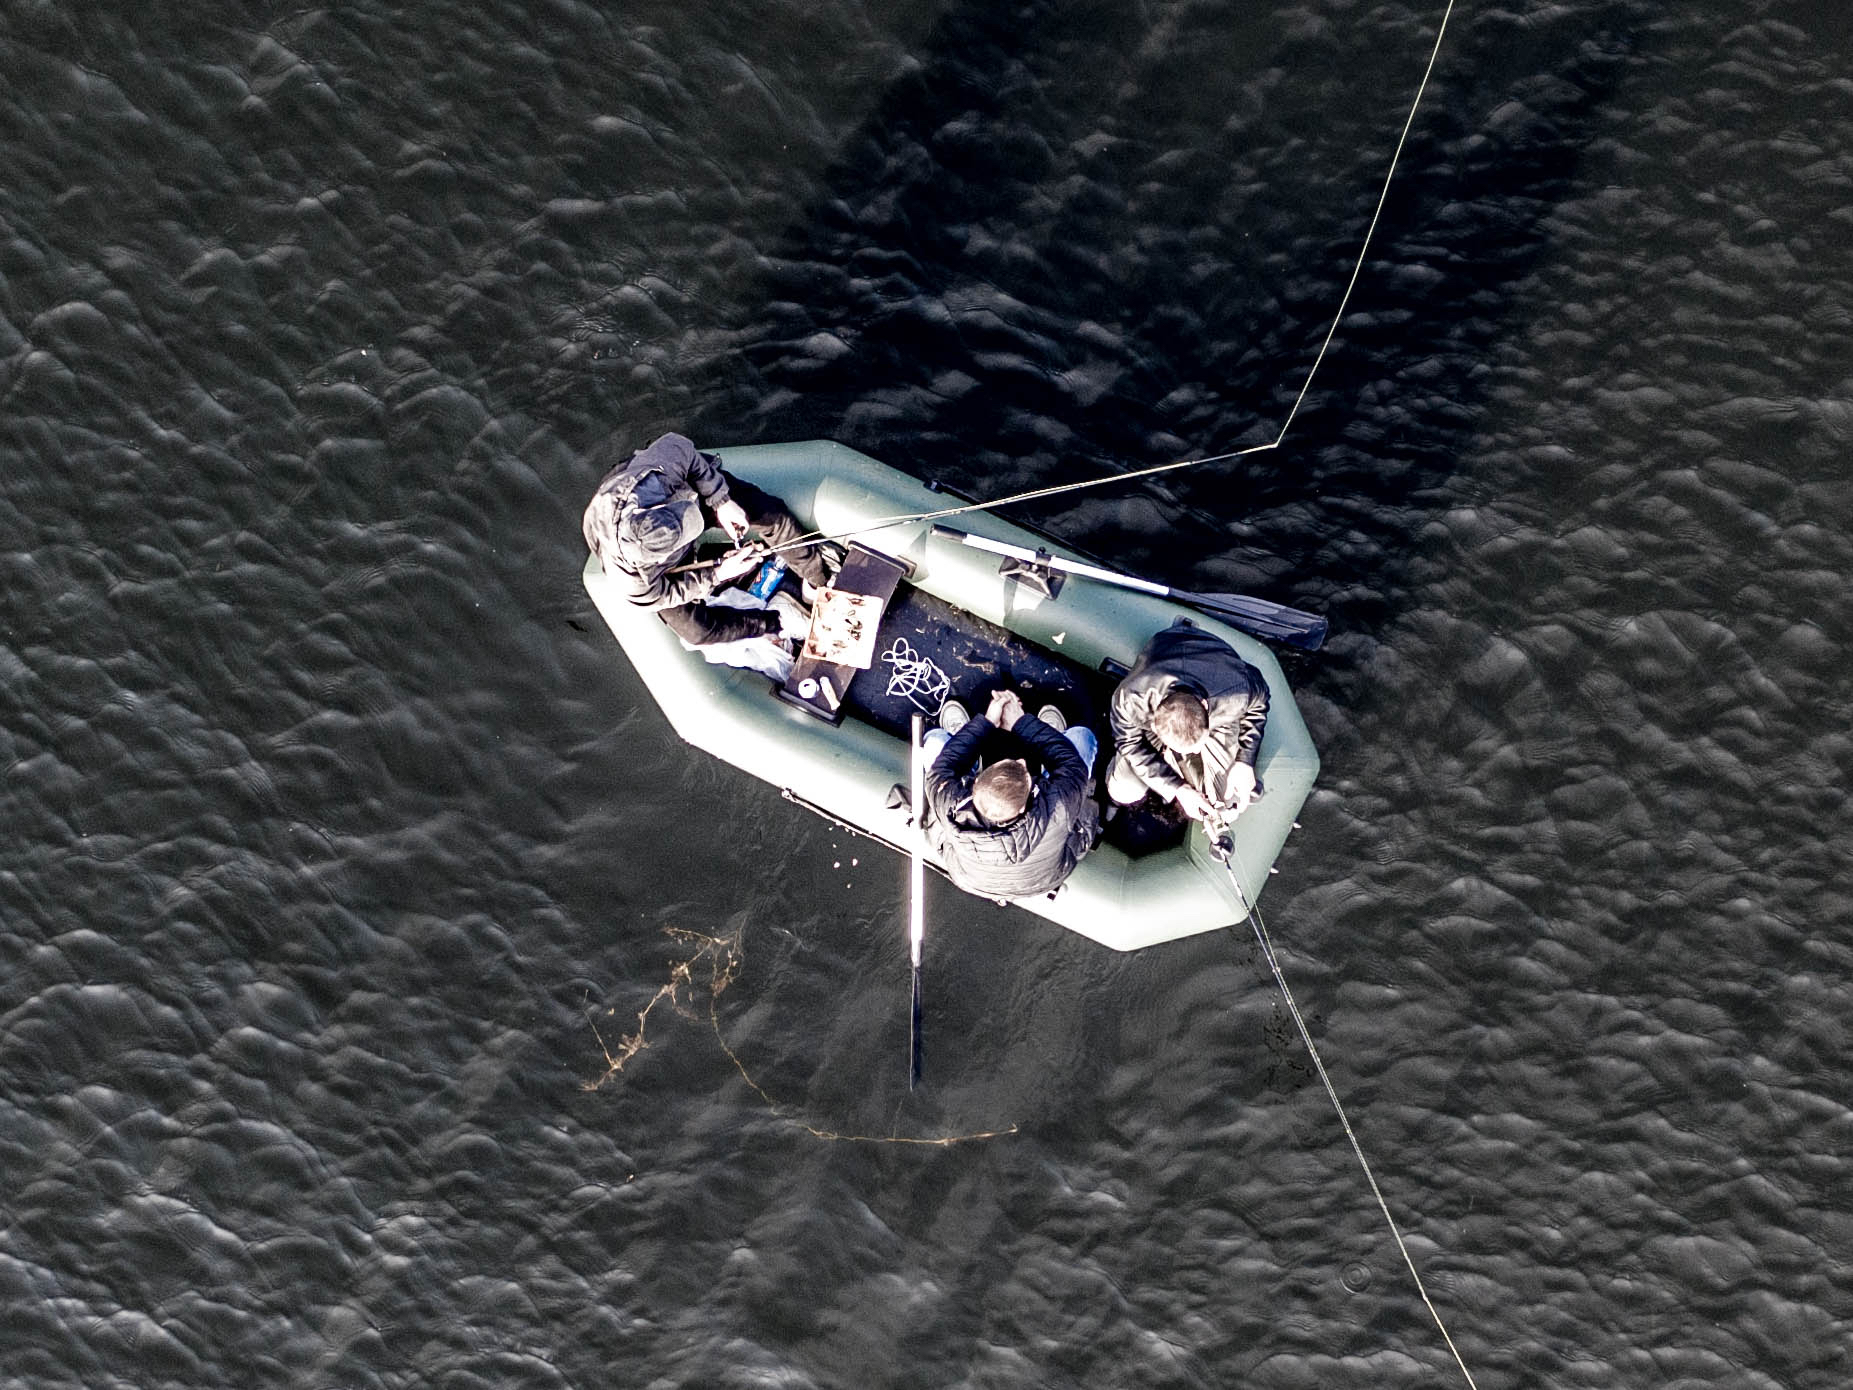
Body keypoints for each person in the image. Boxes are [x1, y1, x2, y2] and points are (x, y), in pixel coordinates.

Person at [581, 432, 829, 646]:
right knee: (698, 632)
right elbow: (668, 593)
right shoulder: (632, 582)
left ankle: (817, 580)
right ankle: (776, 622)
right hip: (662, 566)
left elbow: (680, 447)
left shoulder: (654, 482)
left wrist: (721, 501)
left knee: (771, 515)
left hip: (687, 495)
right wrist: (718, 574)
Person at [920, 688, 1100, 900]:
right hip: (1043, 879)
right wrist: (1020, 722)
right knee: (1081, 738)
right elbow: (1072, 766)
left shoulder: (949, 805)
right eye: (1023, 768)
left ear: (977, 783)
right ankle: (1048, 739)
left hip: (972, 880)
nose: (1022, 761)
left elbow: (941, 770)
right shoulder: (1057, 808)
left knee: (935, 741)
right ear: (1023, 808)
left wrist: (986, 723)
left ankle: (966, 742)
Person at [1107, 620, 1269, 822]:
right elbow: (1128, 743)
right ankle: (1169, 771)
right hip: (1164, 671)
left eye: (1197, 745)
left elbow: (1261, 698)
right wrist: (1177, 788)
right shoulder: (1129, 700)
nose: (1196, 751)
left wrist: (1245, 760)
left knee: (1229, 797)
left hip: (1214, 697)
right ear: (1155, 725)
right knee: (1124, 789)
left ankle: (1191, 773)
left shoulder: (1235, 692)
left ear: (1205, 706)